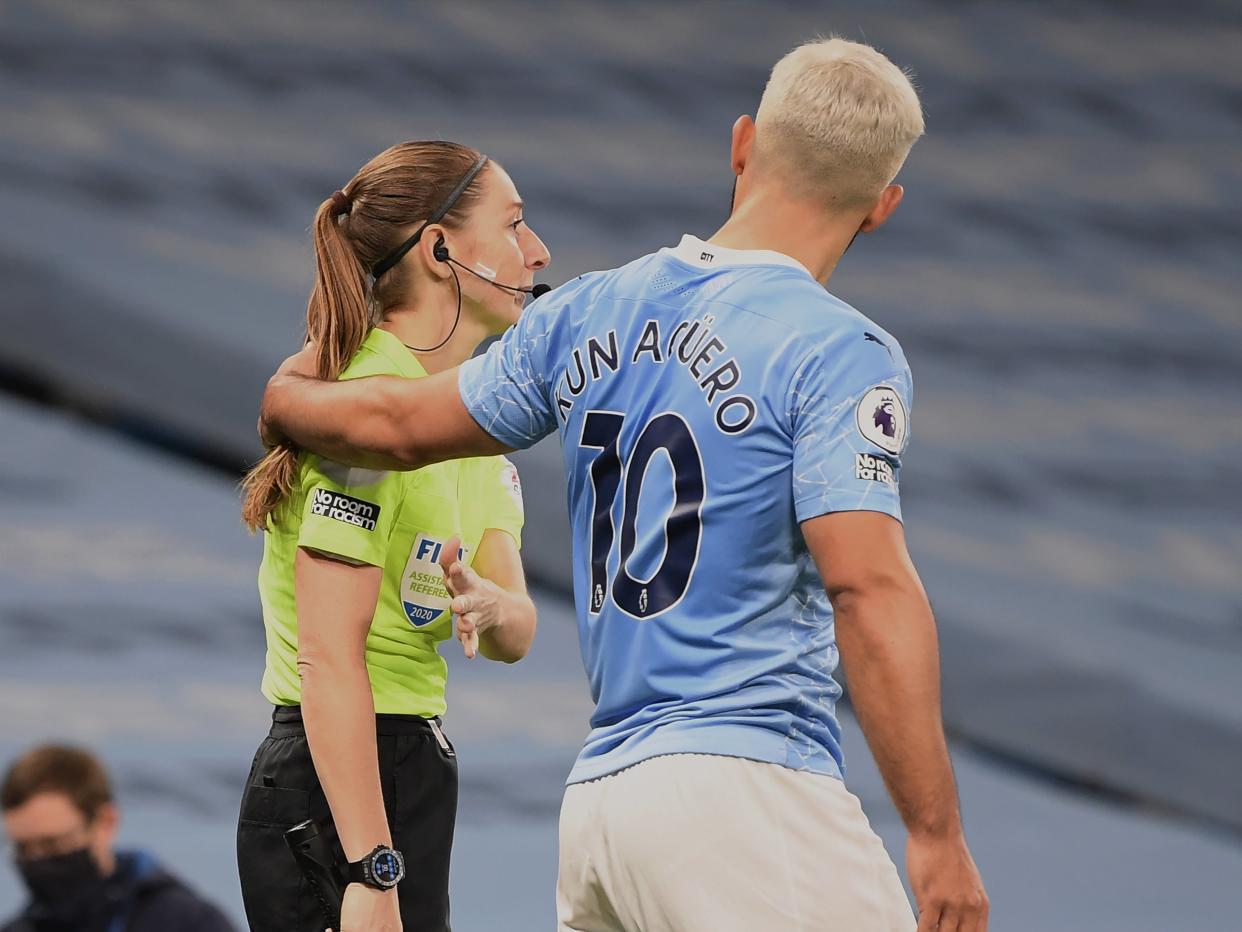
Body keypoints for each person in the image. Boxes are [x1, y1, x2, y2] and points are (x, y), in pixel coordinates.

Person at [259, 38, 988, 932]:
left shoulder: (585, 310)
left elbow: (395, 426)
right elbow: (865, 584)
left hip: (604, 808)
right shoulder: (840, 349)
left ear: (743, 145)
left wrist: (286, 394)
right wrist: (936, 833)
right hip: (750, 792)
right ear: (882, 207)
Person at [236, 140, 546, 932]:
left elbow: (517, 629)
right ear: (440, 250)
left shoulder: (469, 420)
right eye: (513, 225)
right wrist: (371, 869)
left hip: (409, 768)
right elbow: (328, 657)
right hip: (332, 787)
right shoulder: (364, 413)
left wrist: (490, 609)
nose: (537, 252)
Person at [1, 744, 235, 932]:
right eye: (24, 848)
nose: (38, 861)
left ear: (105, 822)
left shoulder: (187, 922)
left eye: (53, 843)